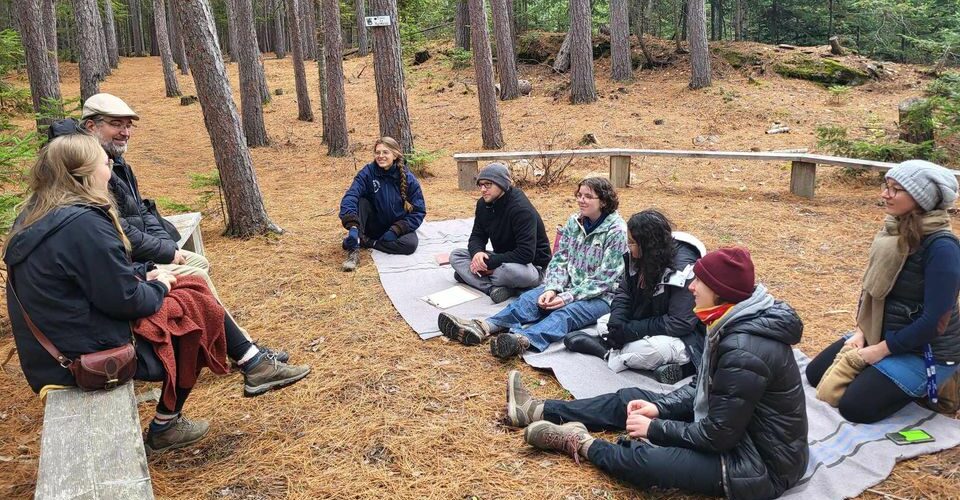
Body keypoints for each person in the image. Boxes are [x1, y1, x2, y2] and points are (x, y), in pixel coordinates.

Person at [3, 135, 311, 454]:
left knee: (191, 292)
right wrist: (159, 284)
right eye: (104, 164)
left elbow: (81, 282)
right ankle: (175, 418)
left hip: (55, 351)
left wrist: (141, 275)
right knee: (191, 314)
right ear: (83, 174)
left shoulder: (38, 215)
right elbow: (125, 302)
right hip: (81, 360)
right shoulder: (82, 223)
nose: (110, 170)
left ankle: (250, 364)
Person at [504, 247, 808, 500]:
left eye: (699, 282)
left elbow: (717, 435)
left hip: (758, 465)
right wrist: (659, 407)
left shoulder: (744, 349)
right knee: (630, 399)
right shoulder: (731, 322)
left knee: (648, 461)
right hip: (736, 433)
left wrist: (655, 429)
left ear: (720, 292)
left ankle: (579, 442)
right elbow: (706, 390)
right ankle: (538, 409)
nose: (691, 287)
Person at [74, 95, 291, 362]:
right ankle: (243, 352)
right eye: (116, 124)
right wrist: (164, 253)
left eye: (129, 125)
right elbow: (118, 228)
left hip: (135, 255)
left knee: (196, 261)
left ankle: (217, 339)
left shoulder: (115, 162)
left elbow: (142, 210)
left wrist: (168, 246)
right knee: (195, 276)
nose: (125, 132)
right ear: (90, 127)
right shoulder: (86, 169)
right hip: (123, 265)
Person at [806, 160, 960, 423]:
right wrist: (861, 332)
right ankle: (885, 377)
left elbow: (934, 322)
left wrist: (880, 351)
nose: (884, 194)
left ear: (921, 198)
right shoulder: (892, 231)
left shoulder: (942, 249)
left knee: (855, 407)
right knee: (815, 373)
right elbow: (871, 290)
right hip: (881, 330)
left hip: (926, 349)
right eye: (886, 186)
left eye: (896, 189)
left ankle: (940, 382)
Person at [438, 177, 628, 359]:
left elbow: (606, 279)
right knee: (529, 299)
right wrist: (553, 288)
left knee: (565, 314)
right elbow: (560, 259)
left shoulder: (617, 231)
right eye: (579, 195)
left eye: (587, 196)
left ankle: (522, 340)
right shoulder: (574, 222)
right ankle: (484, 327)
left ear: (603, 201)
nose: (581, 200)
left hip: (603, 296)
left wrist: (566, 297)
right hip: (567, 286)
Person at [564, 209, 706, 384]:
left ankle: (607, 353)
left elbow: (681, 322)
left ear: (647, 244)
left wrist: (632, 330)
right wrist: (617, 323)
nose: (628, 246)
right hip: (648, 316)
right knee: (604, 323)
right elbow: (624, 290)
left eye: (631, 242)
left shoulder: (683, 269)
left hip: (686, 335)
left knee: (647, 349)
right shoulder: (640, 255)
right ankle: (619, 349)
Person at [449, 163, 551, 303]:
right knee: (456, 255)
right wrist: (477, 254)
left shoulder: (520, 209)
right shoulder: (483, 205)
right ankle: (492, 289)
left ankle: (472, 278)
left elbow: (526, 253)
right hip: (502, 258)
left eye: (488, 185)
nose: (483, 189)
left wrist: (489, 265)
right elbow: (477, 236)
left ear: (502, 184)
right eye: (480, 185)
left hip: (530, 266)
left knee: (510, 271)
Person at [339, 137, 427, 271]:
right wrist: (352, 225)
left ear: (395, 155)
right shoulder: (368, 172)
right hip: (373, 225)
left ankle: (366, 242)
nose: (381, 156)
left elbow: (419, 211)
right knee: (361, 201)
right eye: (377, 152)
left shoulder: (408, 178)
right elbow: (351, 195)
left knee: (410, 245)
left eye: (385, 152)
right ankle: (353, 251)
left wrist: (397, 229)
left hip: (395, 228)